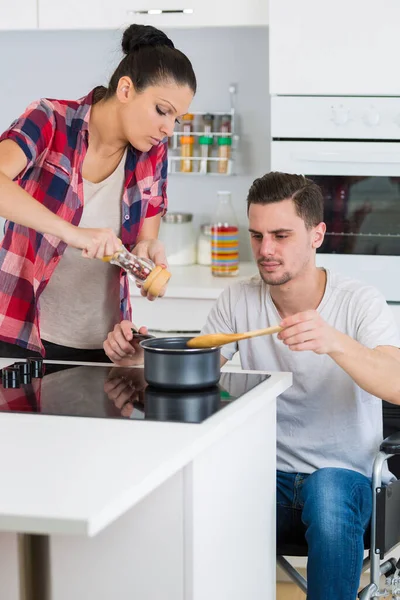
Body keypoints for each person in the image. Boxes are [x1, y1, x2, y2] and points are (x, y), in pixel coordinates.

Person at [104, 171, 400, 600]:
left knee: (329, 492)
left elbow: (395, 385)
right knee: (194, 494)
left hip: (346, 484)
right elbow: (196, 377)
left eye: (281, 235)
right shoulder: (238, 300)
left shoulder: (358, 301)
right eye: (257, 235)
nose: (265, 251)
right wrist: (138, 361)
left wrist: (334, 341)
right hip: (267, 479)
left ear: (317, 235)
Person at [0, 23, 196, 361]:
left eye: (176, 119)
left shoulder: (153, 155)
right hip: (21, 333)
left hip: (104, 346)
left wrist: (147, 255)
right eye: (162, 110)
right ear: (125, 90)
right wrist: (74, 234)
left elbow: (142, 243)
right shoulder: (51, 120)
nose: (168, 128)